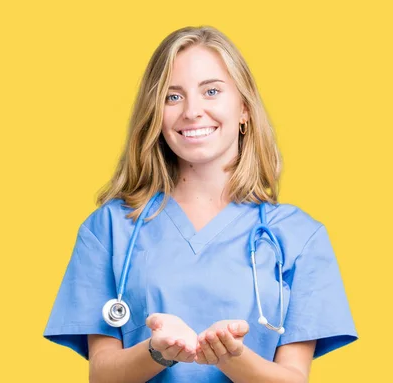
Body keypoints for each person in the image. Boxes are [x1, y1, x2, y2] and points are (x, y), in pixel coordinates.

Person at [43, 25, 357, 383]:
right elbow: (102, 376)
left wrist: (231, 357)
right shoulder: (109, 229)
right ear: (154, 115)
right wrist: (156, 352)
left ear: (244, 108)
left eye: (211, 91)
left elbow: (293, 379)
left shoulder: (300, 237)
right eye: (172, 97)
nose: (192, 111)